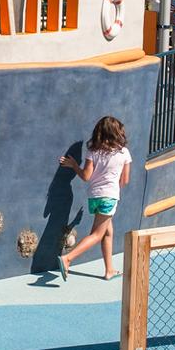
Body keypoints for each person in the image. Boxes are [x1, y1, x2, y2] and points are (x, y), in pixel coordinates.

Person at [57, 116, 134, 281]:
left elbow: (86, 176)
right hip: (110, 196)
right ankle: (67, 258)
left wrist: (74, 166)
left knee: (108, 232)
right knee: (98, 234)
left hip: (94, 196)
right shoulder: (124, 152)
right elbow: (125, 180)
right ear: (117, 132)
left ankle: (109, 270)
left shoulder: (93, 151)